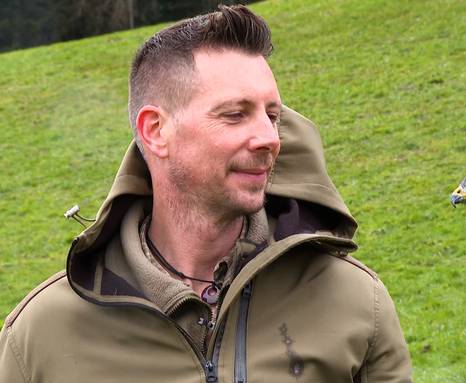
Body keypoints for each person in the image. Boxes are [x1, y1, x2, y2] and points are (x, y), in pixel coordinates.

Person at [0, 5, 412, 382]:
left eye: (272, 116)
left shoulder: (355, 302)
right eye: (235, 115)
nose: (269, 138)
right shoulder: (41, 335)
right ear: (156, 131)